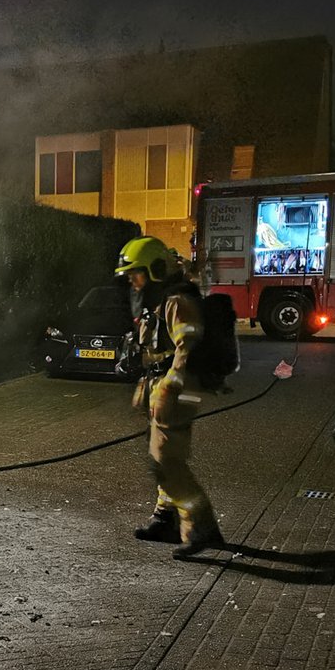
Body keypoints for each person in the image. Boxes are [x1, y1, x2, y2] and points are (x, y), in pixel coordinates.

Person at [120, 236, 223, 558]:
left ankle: (201, 527)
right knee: (161, 457)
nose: (134, 283)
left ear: (155, 269)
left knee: (167, 462)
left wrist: (170, 386)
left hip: (176, 389)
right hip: (159, 385)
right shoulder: (159, 300)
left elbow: (187, 348)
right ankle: (166, 519)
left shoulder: (177, 301)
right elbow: (155, 347)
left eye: (136, 274)